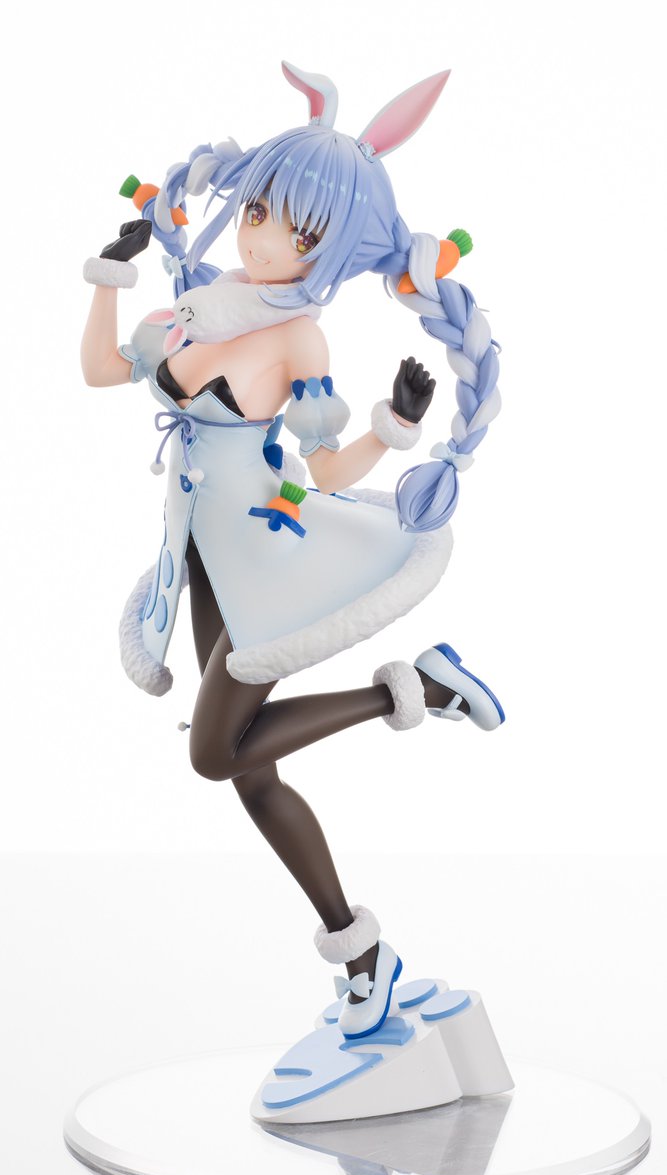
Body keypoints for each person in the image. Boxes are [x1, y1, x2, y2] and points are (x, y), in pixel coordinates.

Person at [81, 62, 503, 1040]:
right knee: (250, 772)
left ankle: (418, 690)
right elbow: (104, 369)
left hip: (270, 552)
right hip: (202, 554)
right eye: (260, 210)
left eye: (299, 233)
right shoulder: (199, 303)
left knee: (211, 755)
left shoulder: (299, 340)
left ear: (335, 251)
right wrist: (108, 276)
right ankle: (361, 959)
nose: (265, 237)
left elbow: (324, 466)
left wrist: (395, 426)